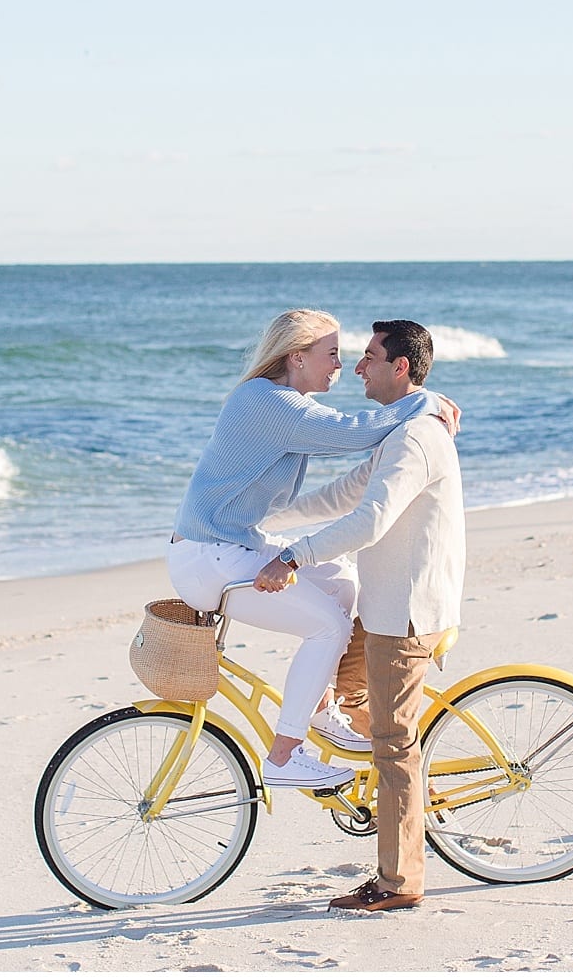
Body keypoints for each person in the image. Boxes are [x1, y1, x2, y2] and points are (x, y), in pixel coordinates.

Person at [167, 308, 460, 792]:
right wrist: (424, 401)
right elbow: (353, 430)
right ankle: (284, 755)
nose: (341, 367)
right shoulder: (269, 402)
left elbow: (337, 490)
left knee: (343, 582)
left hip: (230, 543)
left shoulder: (280, 402)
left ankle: (320, 709)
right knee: (328, 625)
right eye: (332, 355)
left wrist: (289, 542)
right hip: (208, 558)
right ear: (297, 357)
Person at [254, 319, 464, 914]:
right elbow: (345, 495)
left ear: (400, 368)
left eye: (370, 357)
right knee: (339, 701)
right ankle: (387, 795)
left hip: (405, 614)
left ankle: (399, 883)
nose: (357, 367)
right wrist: (269, 524)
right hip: (382, 607)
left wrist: (296, 555)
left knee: (394, 744)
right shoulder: (400, 432)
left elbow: (369, 521)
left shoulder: (415, 438)